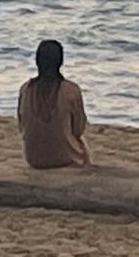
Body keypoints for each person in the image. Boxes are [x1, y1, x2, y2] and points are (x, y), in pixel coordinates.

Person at [18, 37, 92, 170]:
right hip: (65, 159)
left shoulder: (25, 89)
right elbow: (78, 129)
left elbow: (21, 125)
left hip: (34, 159)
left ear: (37, 61)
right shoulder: (71, 90)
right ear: (61, 62)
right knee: (83, 143)